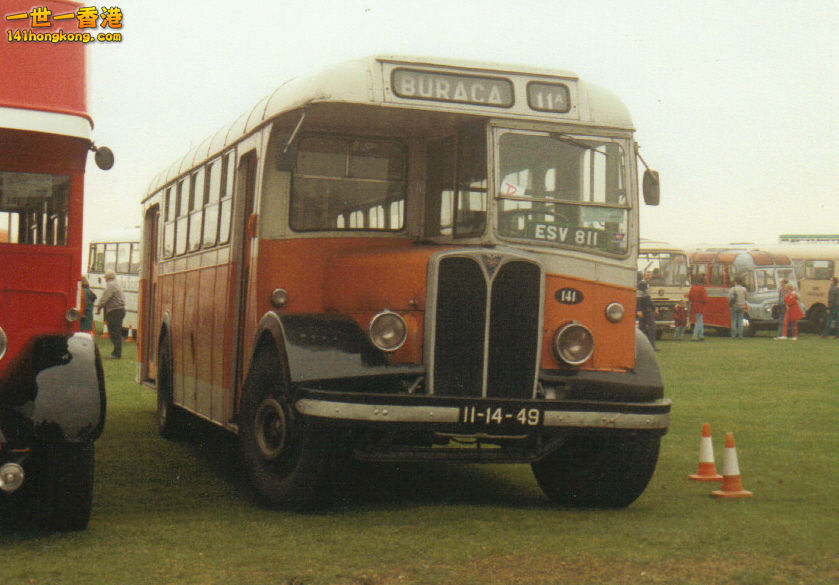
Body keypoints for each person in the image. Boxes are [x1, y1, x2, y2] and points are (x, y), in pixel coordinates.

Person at [96, 270, 126, 358]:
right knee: (116, 331)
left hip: (114, 311)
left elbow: (105, 298)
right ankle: (116, 352)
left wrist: (99, 308)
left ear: (107, 278)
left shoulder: (111, 285)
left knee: (114, 332)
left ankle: (116, 353)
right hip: (120, 310)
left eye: (105, 277)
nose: (104, 279)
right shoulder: (116, 284)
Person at [636, 279, 657, 350]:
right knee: (651, 327)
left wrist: (654, 308)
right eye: (647, 273)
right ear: (644, 275)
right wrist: (638, 310)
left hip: (646, 309)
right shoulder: (642, 285)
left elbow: (649, 298)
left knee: (642, 328)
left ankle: (640, 346)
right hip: (645, 310)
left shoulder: (647, 285)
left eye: (650, 274)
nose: (649, 276)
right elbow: (639, 298)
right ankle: (651, 346)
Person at [688, 274, 707, 341]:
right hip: (700, 306)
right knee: (699, 321)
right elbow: (704, 299)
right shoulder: (702, 288)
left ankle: (701, 335)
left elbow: (689, 296)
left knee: (699, 320)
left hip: (694, 305)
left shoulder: (693, 288)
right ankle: (695, 336)